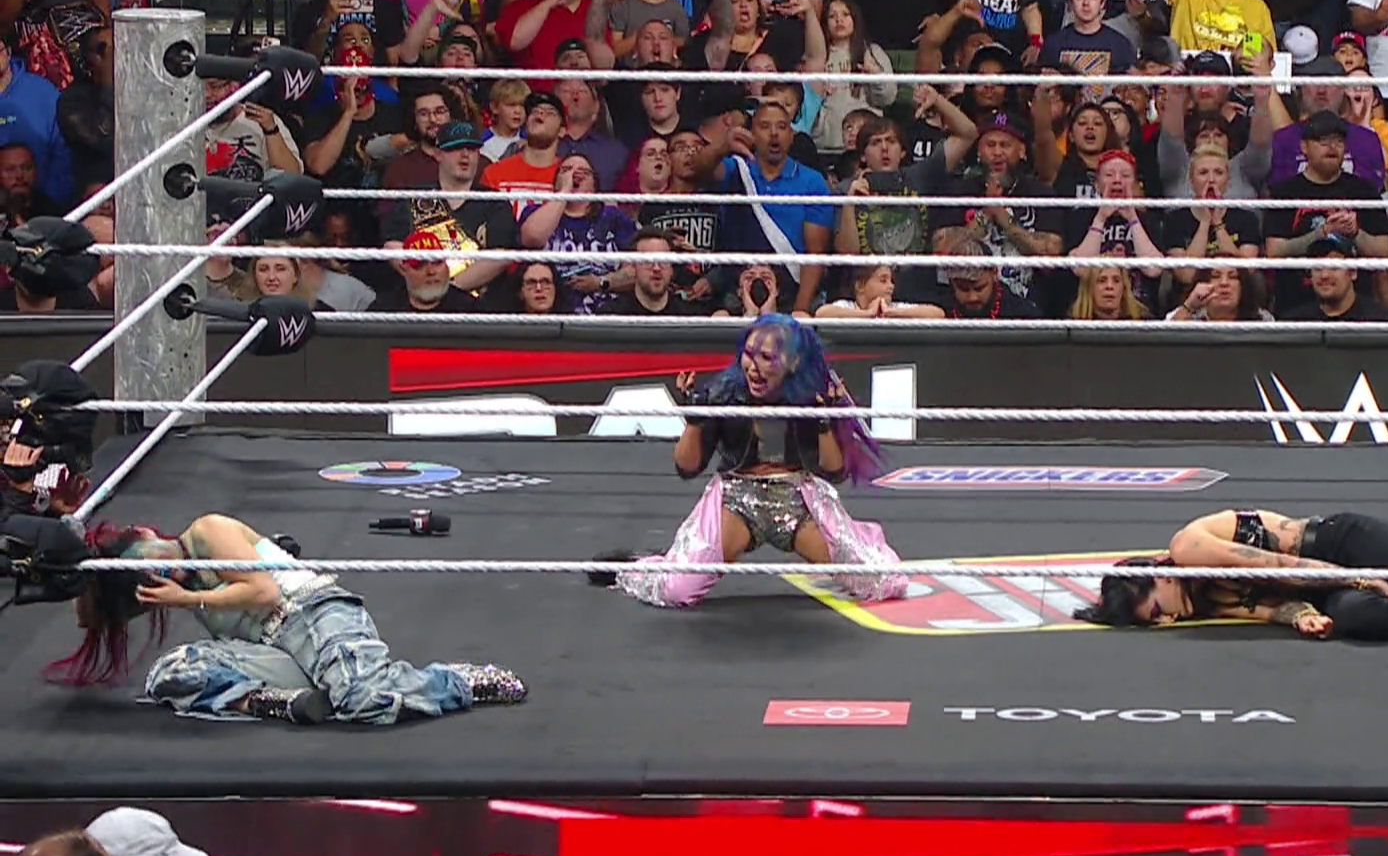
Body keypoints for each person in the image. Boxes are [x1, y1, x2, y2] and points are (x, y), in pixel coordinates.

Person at [49, 512, 526, 724]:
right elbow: (87, 616)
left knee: (363, 701)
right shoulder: (166, 586)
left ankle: (456, 681)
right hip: (273, 655)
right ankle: (269, 703)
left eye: (152, 558)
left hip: (313, 614)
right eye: (149, 574)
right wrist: (76, 563)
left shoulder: (206, 532)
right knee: (168, 675)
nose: (161, 570)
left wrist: (185, 598)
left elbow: (264, 591)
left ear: (147, 532)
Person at [592, 314, 908, 607]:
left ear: (793, 362)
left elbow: (834, 471)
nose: (753, 368)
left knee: (882, 582)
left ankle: (865, 542)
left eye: (766, 358)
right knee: (676, 590)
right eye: (748, 354)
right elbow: (686, 468)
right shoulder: (725, 395)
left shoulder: (811, 399)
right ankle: (640, 565)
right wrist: (694, 420)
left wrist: (825, 421)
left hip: (797, 501)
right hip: (736, 499)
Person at [1075, 509, 1388, 641]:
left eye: (1155, 612)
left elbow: (1281, 567)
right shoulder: (1202, 600)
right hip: (1328, 585)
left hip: (1341, 545)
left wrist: (1360, 578)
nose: (1166, 621)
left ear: (1160, 576)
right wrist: (1300, 618)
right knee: (1358, 620)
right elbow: (1269, 605)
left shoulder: (1189, 548)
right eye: (1153, 623)